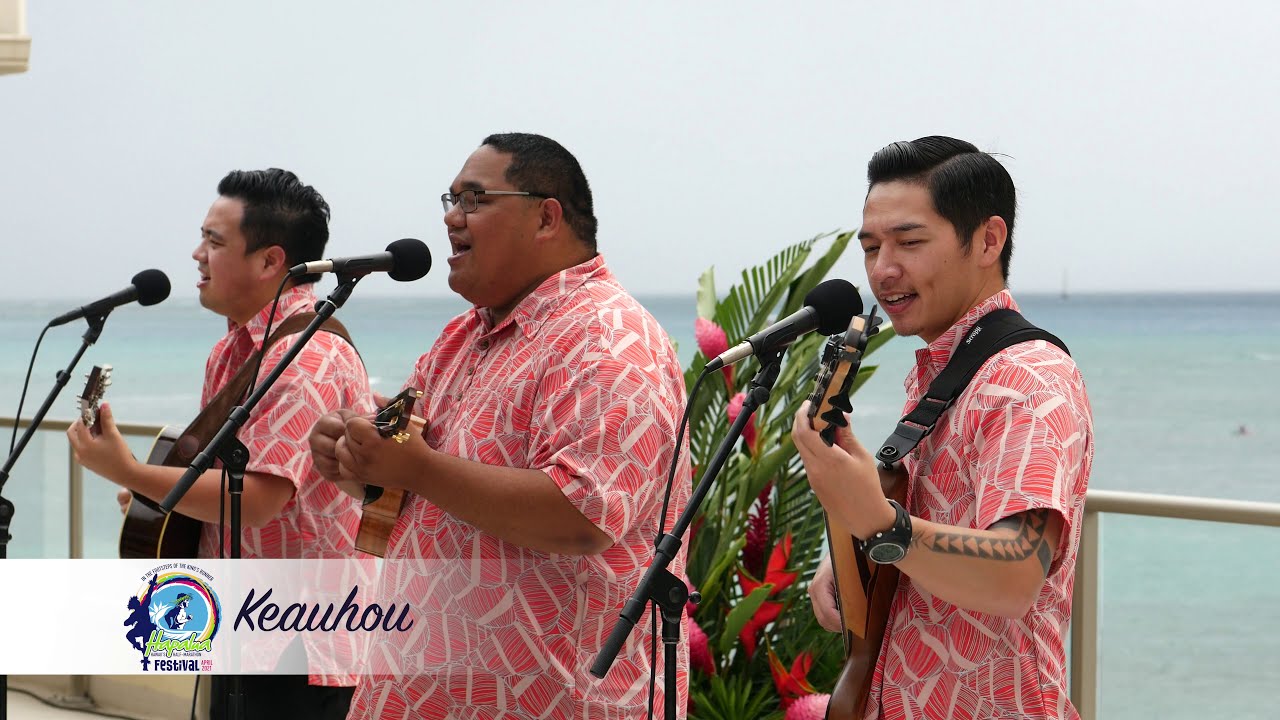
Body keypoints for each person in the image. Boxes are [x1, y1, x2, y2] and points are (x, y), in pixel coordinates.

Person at [308, 132, 691, 719]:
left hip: (551, 702)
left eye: (475, 200)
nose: (450, 219)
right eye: (450, 200)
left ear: (545, 217)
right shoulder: (461, 338)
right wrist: (360, 463)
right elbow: (418, 494)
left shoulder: (609, 339)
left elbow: (584, 514)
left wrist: (416, 466)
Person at [792, 136, 1094, 720]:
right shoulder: (949, 370)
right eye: (871, 247)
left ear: (988, 240)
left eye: (909, 242)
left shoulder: (1027, 379)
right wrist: (855, 554)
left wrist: (878, 524)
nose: (883, 270)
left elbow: (1013, 577)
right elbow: (929, 523)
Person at [67, 168, 373, 720]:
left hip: (302, 643)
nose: (196, 254)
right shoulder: (231, 351)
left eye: (214, 241)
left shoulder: (310, 358)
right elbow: (226, 484)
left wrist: (134, 475)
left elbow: (258, 499)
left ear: (269, 261)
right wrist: (168, 498)